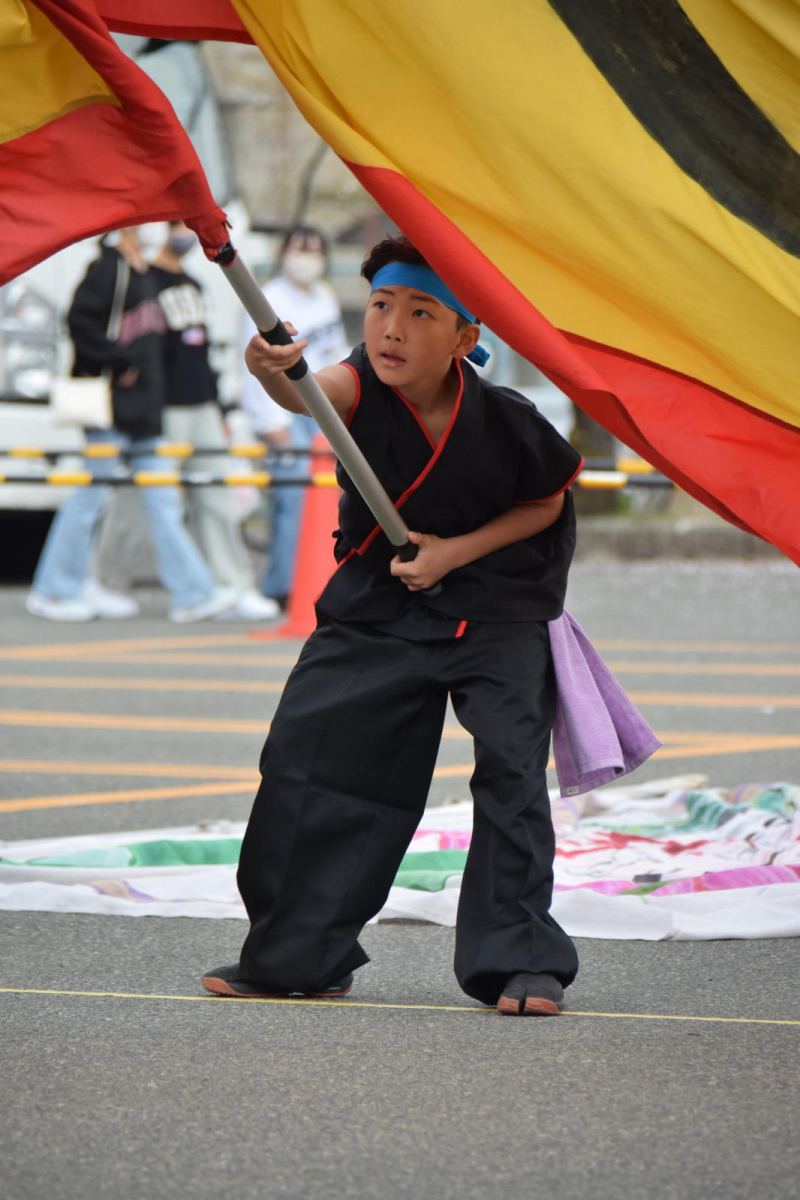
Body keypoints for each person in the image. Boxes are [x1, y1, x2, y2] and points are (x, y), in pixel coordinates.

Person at [202, 235, 584, 1016]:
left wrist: (454, 553)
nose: (392, 329)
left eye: (420, 312)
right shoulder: (353, 389)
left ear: (466, 339)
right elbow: (310, 389)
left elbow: (545, 501)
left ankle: (519, 963)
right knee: (310, 762)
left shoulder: (509, 418)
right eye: (379, 306)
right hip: (380, 604)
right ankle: (300, 955)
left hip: (496, 606)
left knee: (512, 775)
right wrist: (270, 371)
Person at [26, 228, 234, 624]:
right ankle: (54, 590)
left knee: (162, 500)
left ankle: (194, 593)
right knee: (90, 497)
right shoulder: (108, 267)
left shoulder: (142, 272)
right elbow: (78, 321)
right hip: (111, 408)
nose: (155, 230)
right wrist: (119, 362)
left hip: (146, 412)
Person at [93, 222, 279, 621]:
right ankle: (105, 580)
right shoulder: (142, 280)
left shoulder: (194, 283)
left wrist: (222, 411)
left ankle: (233, 584)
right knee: (140, 502)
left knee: (217, 498)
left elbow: (201, 352)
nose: (184, 233)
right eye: (175, 225)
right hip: (162, 409)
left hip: (203, 408)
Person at [240, 225, 349, 610]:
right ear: (284, 251)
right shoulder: (269, 299)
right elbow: (253, 366)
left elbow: (336, 353)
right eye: (299, 247)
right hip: (284, 409)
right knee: (291, 503)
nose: (307, 256)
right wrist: (272, 424)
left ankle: (319, 581)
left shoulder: (324, 297)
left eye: (314, 248)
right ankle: (282, 586)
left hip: (322, 407)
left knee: (327, 501)